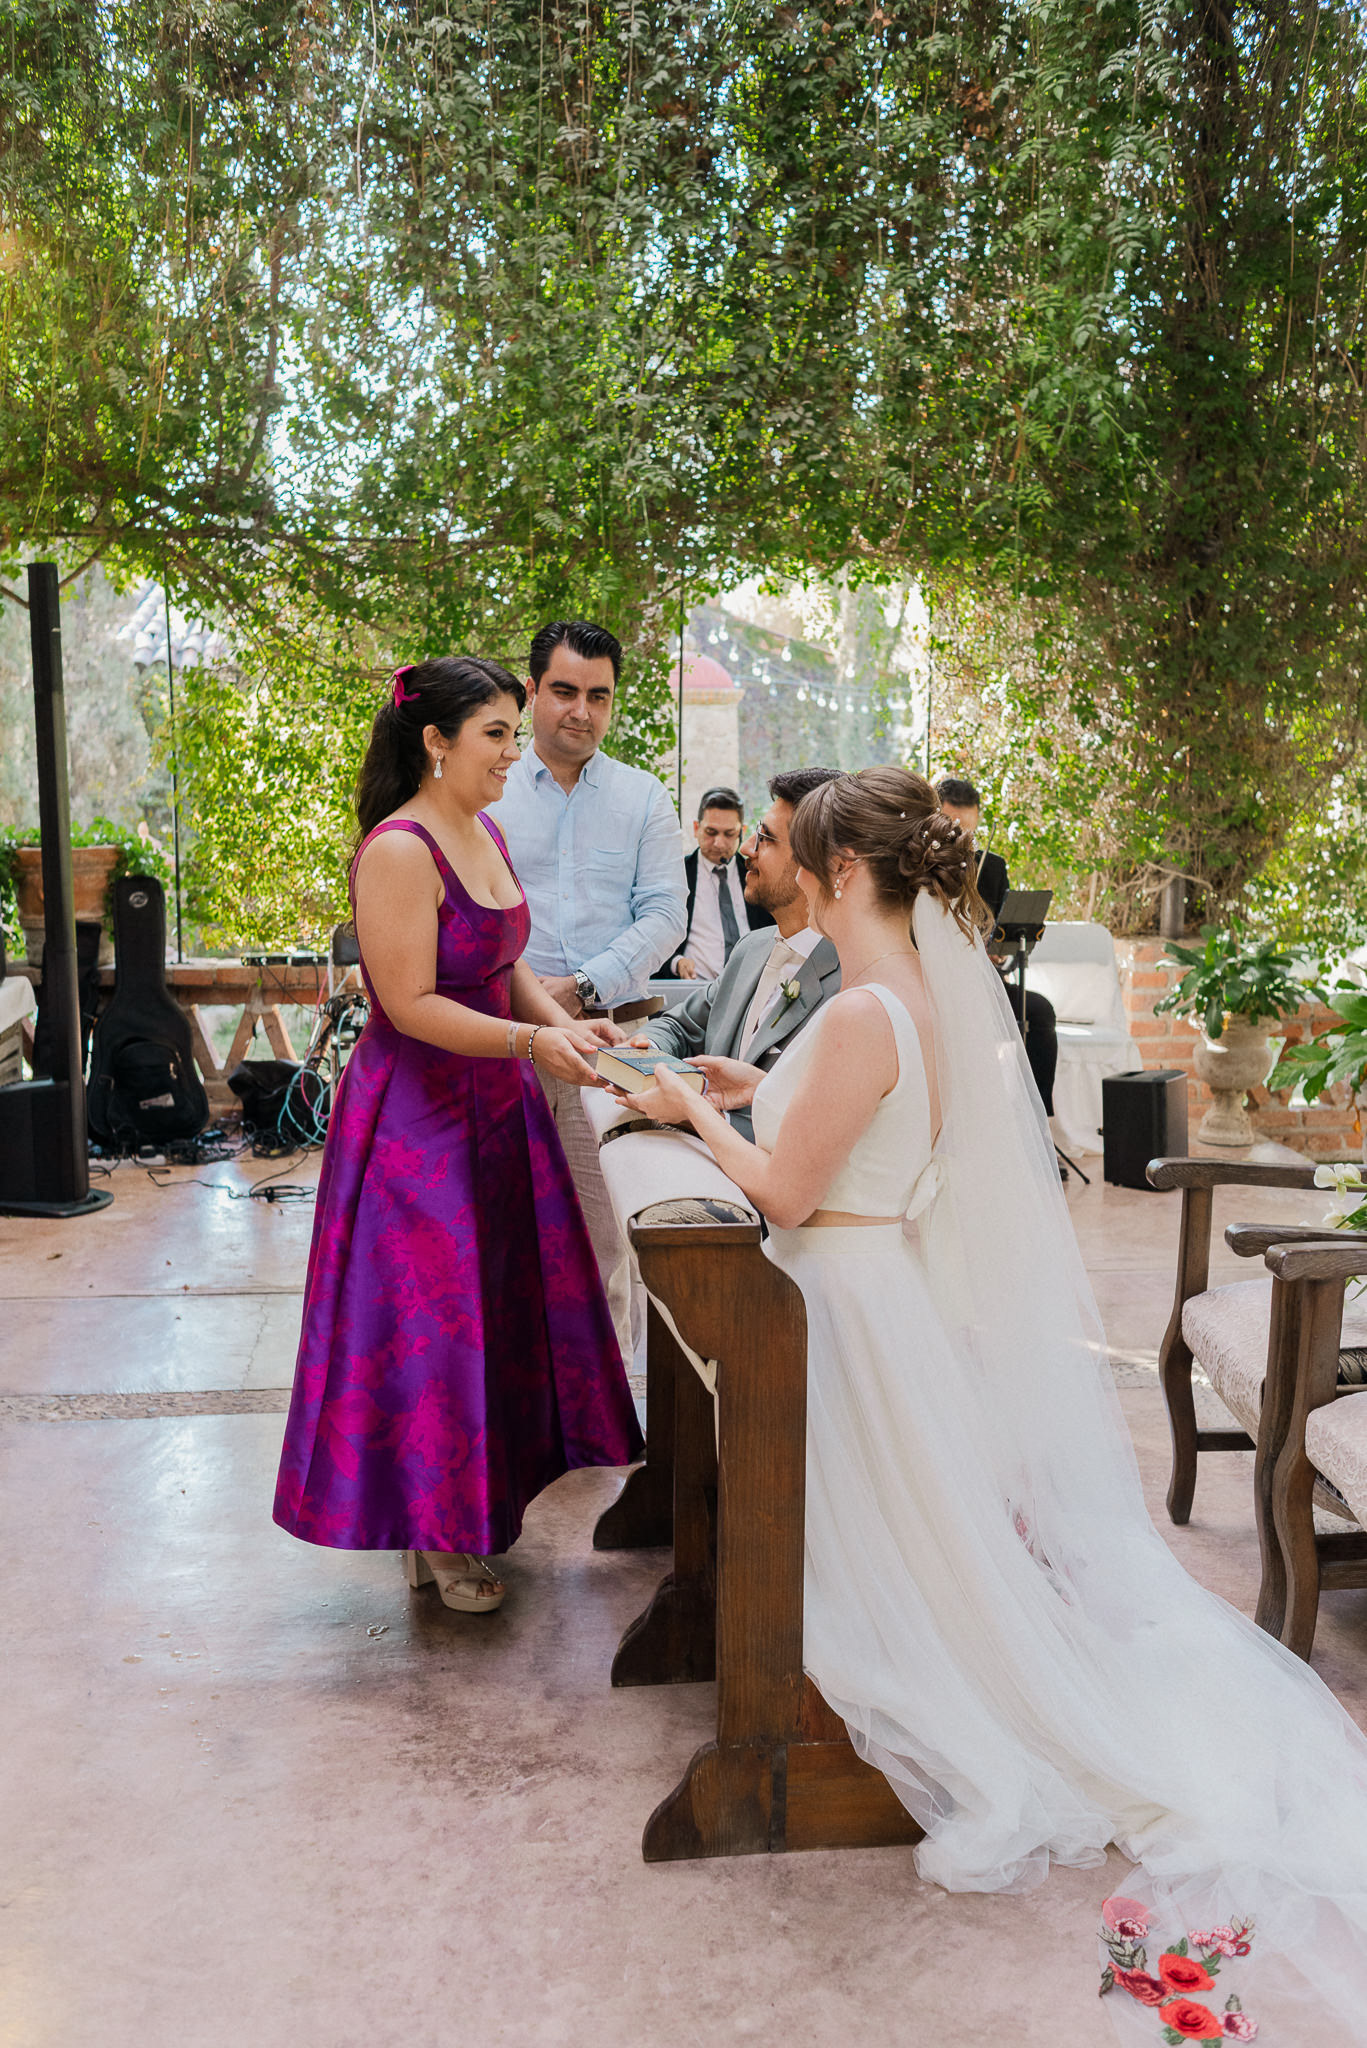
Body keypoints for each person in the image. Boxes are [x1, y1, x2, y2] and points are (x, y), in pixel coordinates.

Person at [620, 764, 1367, 2042]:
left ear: (839, 871)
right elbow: (855, 1131)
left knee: (889, 1589)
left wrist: (688, 1103)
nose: (784, 872)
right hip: (879, 1292)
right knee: (929, 1555)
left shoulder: (860, 1010)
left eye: (798, 854)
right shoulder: (913, 995)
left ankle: (805, 1731)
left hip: (839, 1308)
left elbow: (787, 1196)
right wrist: (752, 1087)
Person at [273, 657, 643, 1614]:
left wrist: (567, 1030)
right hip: (417, 1124)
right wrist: (530, 1043)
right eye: (497, 735)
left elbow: (506, 962)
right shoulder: (398, 851)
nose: (515, 752)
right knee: (432, 1331)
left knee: (496, 1315)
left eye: (515, 733)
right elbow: (409, 1004)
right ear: (435, 742)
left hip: (496, 1108)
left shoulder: (484, 830)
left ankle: (467, 1505)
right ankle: (434, 1536)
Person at [495, 620, 688, 1362]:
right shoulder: (487, 790)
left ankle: (600, 1407)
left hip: (605, 1045)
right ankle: (509, 1403)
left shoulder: (642, 798)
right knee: (500, 1232)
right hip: (502, 1041)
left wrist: (579, 986)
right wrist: (531, 1001)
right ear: (532, 691)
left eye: (598, 696)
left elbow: (665, 915)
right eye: (565, 691)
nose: (581, 710)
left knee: (602, 1242)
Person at [634, 767, 841, 1141]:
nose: (745, 849)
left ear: (813, 860)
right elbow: (679, 1026)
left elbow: (820, 1132)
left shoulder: (849, 984)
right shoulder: (750, 949)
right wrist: (644, 1053)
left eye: (765, 838)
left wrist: (694, 1114)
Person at [937, 774, 1058, 1122]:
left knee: (1040, 1012)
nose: (963, 842)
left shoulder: (992, 867)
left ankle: (1036, 1121)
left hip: (985, 983)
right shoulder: (920, 869)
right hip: (938, 984)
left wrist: (999, 953)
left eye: (970, 833)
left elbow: (1005, 932)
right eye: (953, 831)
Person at [663, 786, 774, 979]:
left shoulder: (759, 876)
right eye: (711, 832)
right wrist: (676, 962)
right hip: (693, 986)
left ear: (742, 831)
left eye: (729, 834)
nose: (718, 843)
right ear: (696, 828)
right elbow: (653, 939)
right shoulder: (675, 874)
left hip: (752, 984)